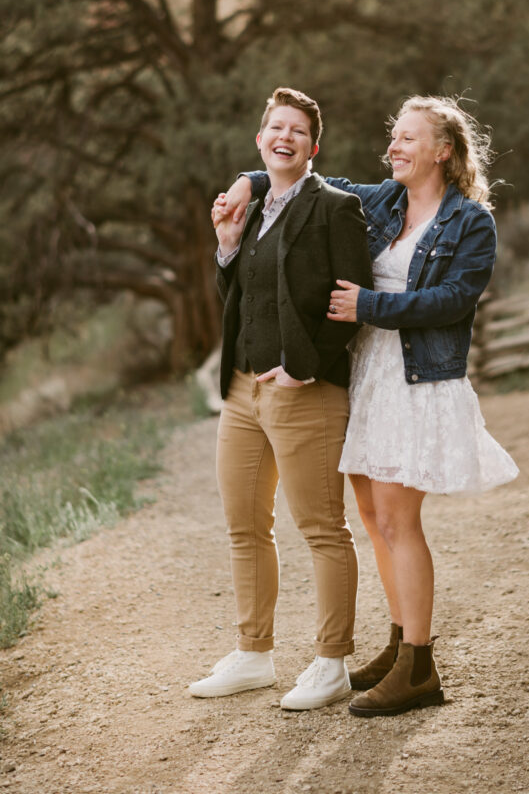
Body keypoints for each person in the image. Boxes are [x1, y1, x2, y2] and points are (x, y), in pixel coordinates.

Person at [215, 94, 519, 718]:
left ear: (443, 149)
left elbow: (454, 301)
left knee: (399, 521)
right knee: (373, 516)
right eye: (393, 137)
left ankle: (420, 665)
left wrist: (369, 307)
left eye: (409, 138)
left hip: (419, 382)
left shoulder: (471, 221)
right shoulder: (383, 201)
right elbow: (316, 181)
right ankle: (397, 642)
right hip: (370, 376)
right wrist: (250, 178)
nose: (395, 147)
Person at [190, 86, 372, 712]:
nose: (285, 137)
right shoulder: (256, 205)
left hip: (306, 392)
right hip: (242, 392)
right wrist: (227, 244)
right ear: (261, 139)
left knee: (322, 529)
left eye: (297, 130)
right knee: (245, 526)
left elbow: (353, 303)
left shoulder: (335, 208)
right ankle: (253, 654)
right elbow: (238, 295)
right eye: (276, 127)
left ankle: (331, 664)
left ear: (312, 147)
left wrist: (306, 367)